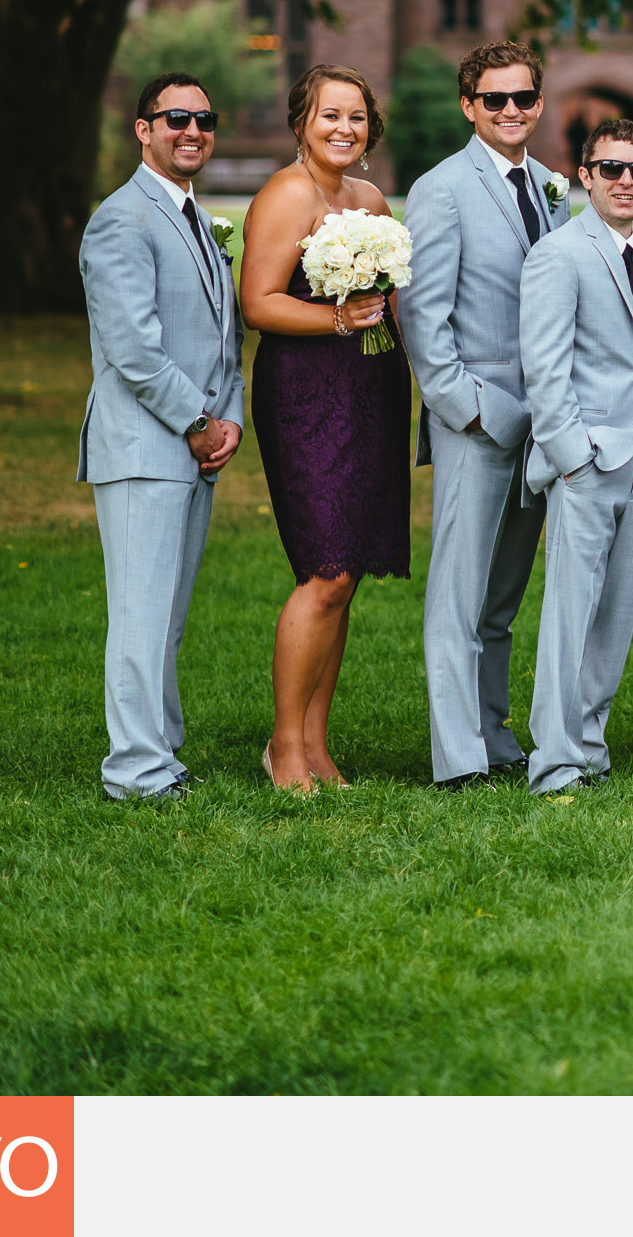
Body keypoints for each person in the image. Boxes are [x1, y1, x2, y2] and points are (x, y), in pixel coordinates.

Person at [403, 41, 574, 791]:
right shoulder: (441, 188)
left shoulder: (551, 187)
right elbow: (423, 318)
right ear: (469, 105)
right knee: (458, 597)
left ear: (539, 103)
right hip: (475, 422)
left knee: (503, 597)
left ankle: (494, 732)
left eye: (524, 98)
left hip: (544, 423)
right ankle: (457, 757)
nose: (512, 110)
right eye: (495, 99)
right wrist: (471, 411)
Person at [240, 66, 413, 792]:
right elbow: (258, 301)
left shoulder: (369, 197)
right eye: (329, 115)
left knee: (347, 577)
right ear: (302, 122)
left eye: (357, 116)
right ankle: (283, 745)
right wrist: (338, 317)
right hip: (306, 394)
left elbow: (392, 299)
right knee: (324, 570)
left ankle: (316, 742)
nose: (345, 127)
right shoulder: (287, 193)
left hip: (371, 389)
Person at [77, 74, 246, 801]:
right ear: (142, 128)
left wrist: (230, 411)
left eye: (204, 119)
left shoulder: (195, 218)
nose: (193, 130)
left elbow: (222, 336)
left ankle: (162, 753)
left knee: (167, 615)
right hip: (146, 447)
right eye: (176, 117)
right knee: (141, 616)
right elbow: (134, 348)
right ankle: (134, 769)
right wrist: (200, 422)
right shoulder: (122, 218)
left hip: (194, 445)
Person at [518, 120, 633, 794]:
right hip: (585, 461)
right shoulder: (560, 253)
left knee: (615, 614)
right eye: (610, 168)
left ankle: (589, 744)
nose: (625, 180)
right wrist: (572, 457)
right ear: (584, 175)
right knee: (569, 615)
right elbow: (545, 366)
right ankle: (555, 762)